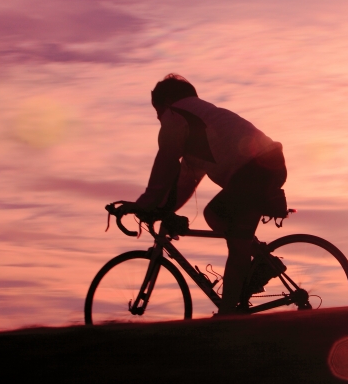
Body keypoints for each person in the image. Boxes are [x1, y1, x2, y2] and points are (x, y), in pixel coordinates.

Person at [117, 74, 288, 315]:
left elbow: (165, 163)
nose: (158, 118)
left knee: (222, 223)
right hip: (265, 165)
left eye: (156, 111)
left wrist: (145, 204)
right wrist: (163, 210)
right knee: (218, 217)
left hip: (255, 170)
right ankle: (259, 267)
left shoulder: (176, 115)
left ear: (165, 103)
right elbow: (186, 180)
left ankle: (228, 315)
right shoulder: (200, 124)